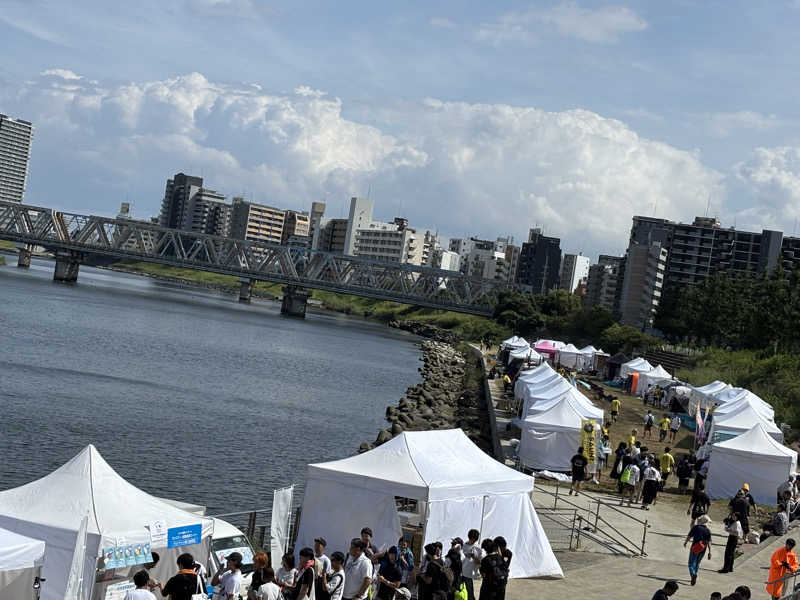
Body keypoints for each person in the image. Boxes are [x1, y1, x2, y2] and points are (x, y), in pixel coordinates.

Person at [684, 514, 713, 586]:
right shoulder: (708, 530)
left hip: (695, 547)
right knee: (697, 563)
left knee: (691, 563)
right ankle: (695, 574)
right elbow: (709, 541)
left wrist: (686, 542)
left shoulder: (696, 527)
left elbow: (689, 536)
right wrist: (710, 552)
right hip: (703, 549)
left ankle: (693, 575)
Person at [461, 529, 482, 600]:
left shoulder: (478, 548)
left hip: (469, 574)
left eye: (474, 540)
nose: (472, 541)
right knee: (459, 590)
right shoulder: (463, 546)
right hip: (461, 572)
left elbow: (479, 562)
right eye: (471, 539)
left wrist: (473, 556)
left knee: (469, 592)